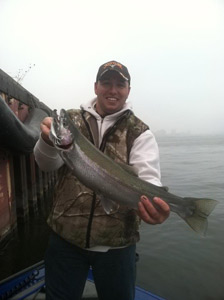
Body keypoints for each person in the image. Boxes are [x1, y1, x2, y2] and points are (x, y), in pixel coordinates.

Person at [34, 60, 170, 300]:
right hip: (65, 241)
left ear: (128, 90)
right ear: (95, 86)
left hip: (117, 247)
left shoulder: (139, 132)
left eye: (120, 84)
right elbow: (47, 165)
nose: (113, 90)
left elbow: (149, 178)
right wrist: (47, 142)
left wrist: (157, 205)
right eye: (106, 83)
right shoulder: (73, 121)